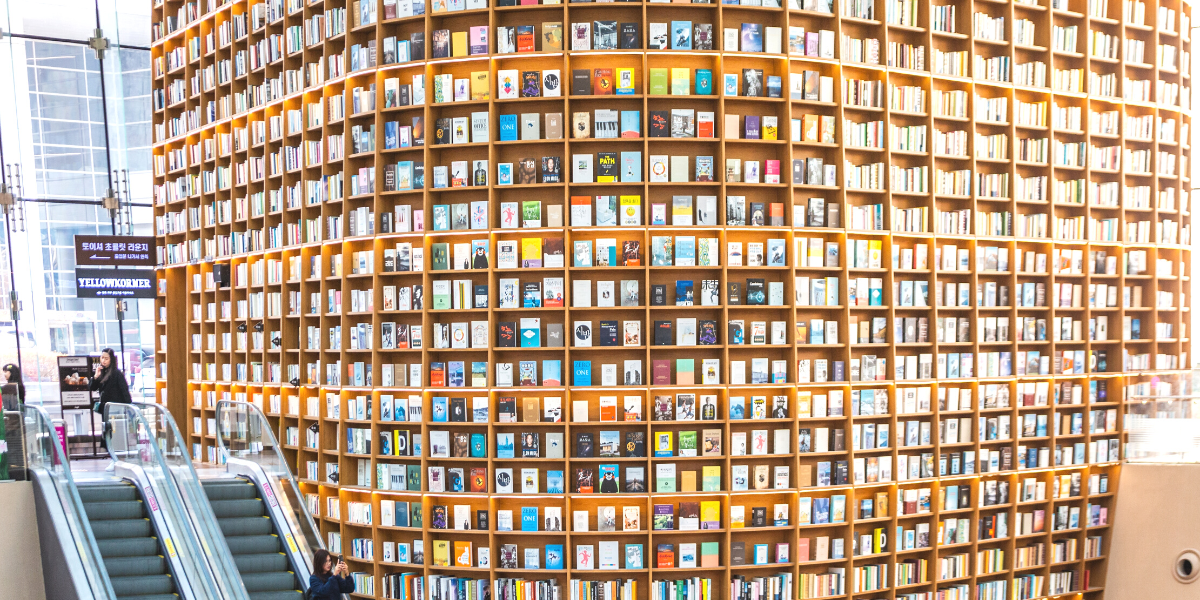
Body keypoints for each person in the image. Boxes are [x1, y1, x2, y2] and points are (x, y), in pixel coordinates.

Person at [90, 348, 132, 472]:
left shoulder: (116, 374)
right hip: (106, 410)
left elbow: (124, 391)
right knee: (107, 433)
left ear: (111, 359)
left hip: (116, 410)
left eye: (106, 358)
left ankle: (116, 459)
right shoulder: (102, 372)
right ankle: (113, 458)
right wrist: (95, 376)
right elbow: (92, 387)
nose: (103, 361)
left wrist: (129, 408)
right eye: (102, 358)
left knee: (114, 434)